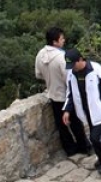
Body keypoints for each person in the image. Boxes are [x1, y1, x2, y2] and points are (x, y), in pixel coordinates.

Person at [34, 27, 90, 156]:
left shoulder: (40, 54)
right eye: (61, 38)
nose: (64, 40)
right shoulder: (62, 57)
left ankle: (69, 149)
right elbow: (69, 78)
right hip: (67, 95)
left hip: (53, 95)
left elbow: (38, 74)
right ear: (55, 42)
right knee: (76, 123)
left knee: (62, 126)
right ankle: (84, 146)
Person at [63, 48, 101, 175]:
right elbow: (70, 94)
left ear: (80, 59)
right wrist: (67, 110)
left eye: (73, 64)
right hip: (85, 111)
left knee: (94, 138)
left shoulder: (96, 69)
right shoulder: (71, 74)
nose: (72, 68)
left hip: (100, 110)